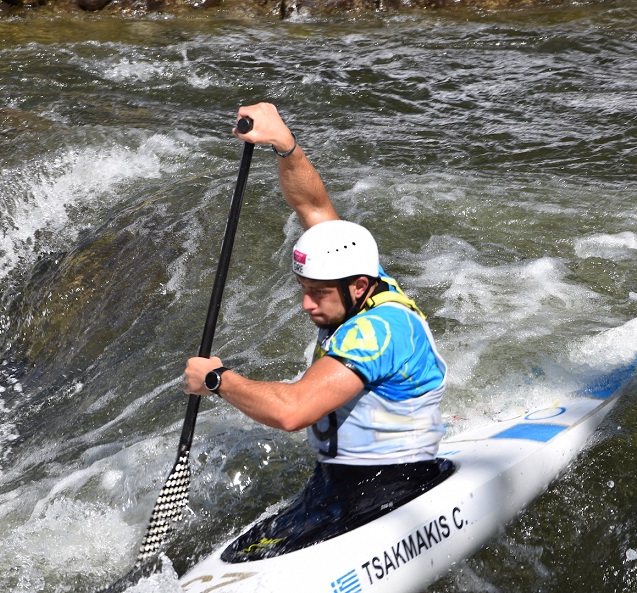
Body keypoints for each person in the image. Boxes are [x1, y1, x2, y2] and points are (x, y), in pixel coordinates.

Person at [183, 102, 452, 559]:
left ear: (358, 286)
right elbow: (313, 206)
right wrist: (283, 143)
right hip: (332, 484)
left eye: (318, 294)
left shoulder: (379, 330)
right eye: (303, 289)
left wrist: (216, 379)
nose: (307, 304)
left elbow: (294, 412)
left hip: (391, 488)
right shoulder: (355, 277)